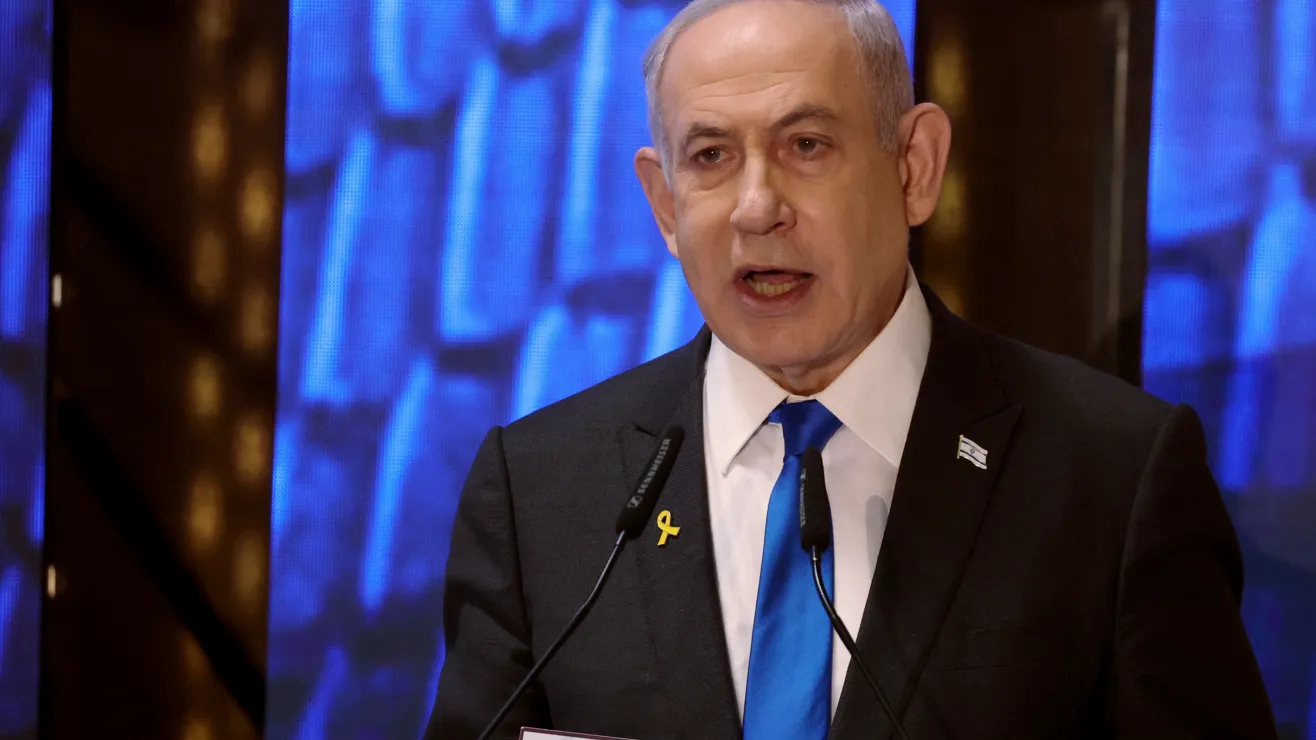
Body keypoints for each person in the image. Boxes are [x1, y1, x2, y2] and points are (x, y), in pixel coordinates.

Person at [426, 1, 1278, 738]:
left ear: (915, 168)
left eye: (806, 144)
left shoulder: (1113, 478)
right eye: (711, 156)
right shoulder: (540, 493)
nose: (758, 208)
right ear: (664, 204)